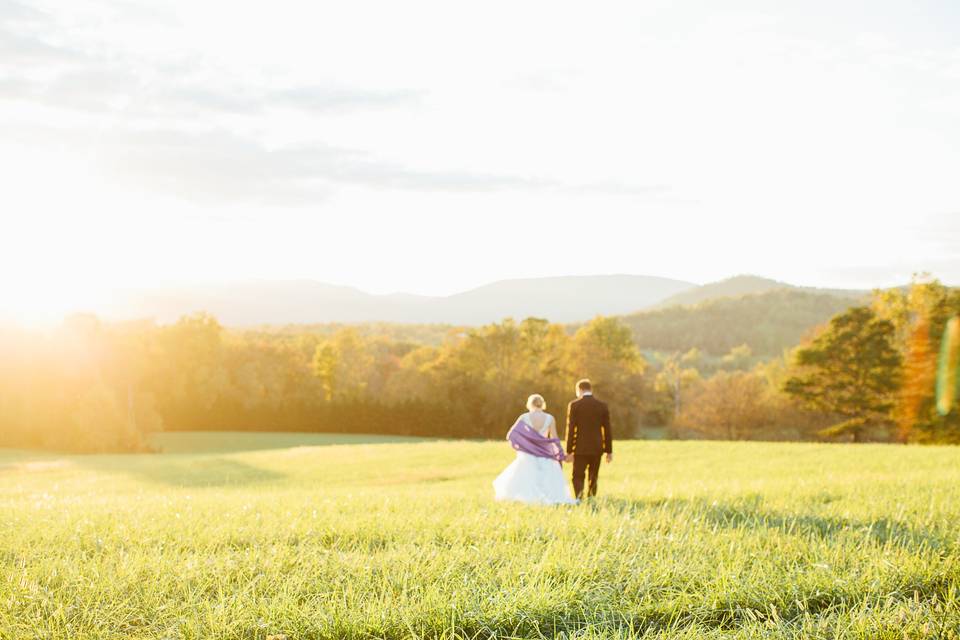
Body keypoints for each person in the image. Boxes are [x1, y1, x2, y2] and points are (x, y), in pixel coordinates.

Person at [492, 394, 577, 505]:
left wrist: (522, 446)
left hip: (528, 455)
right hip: (545, 454)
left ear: (529, 404)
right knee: (545, 479)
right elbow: (555, 439)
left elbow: (511, 435)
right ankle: (546, 498)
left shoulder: (524, 417)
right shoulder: (549, 418)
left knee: (529, 478)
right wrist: (561, 454)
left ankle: (531, 500)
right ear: (542, 404)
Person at [565, 379, 612, 499]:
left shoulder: (575, 405)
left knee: (577, 475)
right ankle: (591, 497)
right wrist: (608, 451)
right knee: (593, 475)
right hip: (597, 447)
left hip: (580, 448)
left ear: (579, 390)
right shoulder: (602, 406)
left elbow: (571, 429)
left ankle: (579, 498)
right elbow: (607, 430)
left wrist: (569, 451)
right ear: (591, 390)